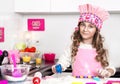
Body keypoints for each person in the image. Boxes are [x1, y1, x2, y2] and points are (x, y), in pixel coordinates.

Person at [52, 4, 116, 78]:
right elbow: (63, 62)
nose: (85, 29)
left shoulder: (102, 47)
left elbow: (111, 67)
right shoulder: (73, 45)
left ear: (96, 30)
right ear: (79, 27)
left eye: (90, 26)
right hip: (77, 82)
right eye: (83, 25)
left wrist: (107, 72)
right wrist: (57, 68)